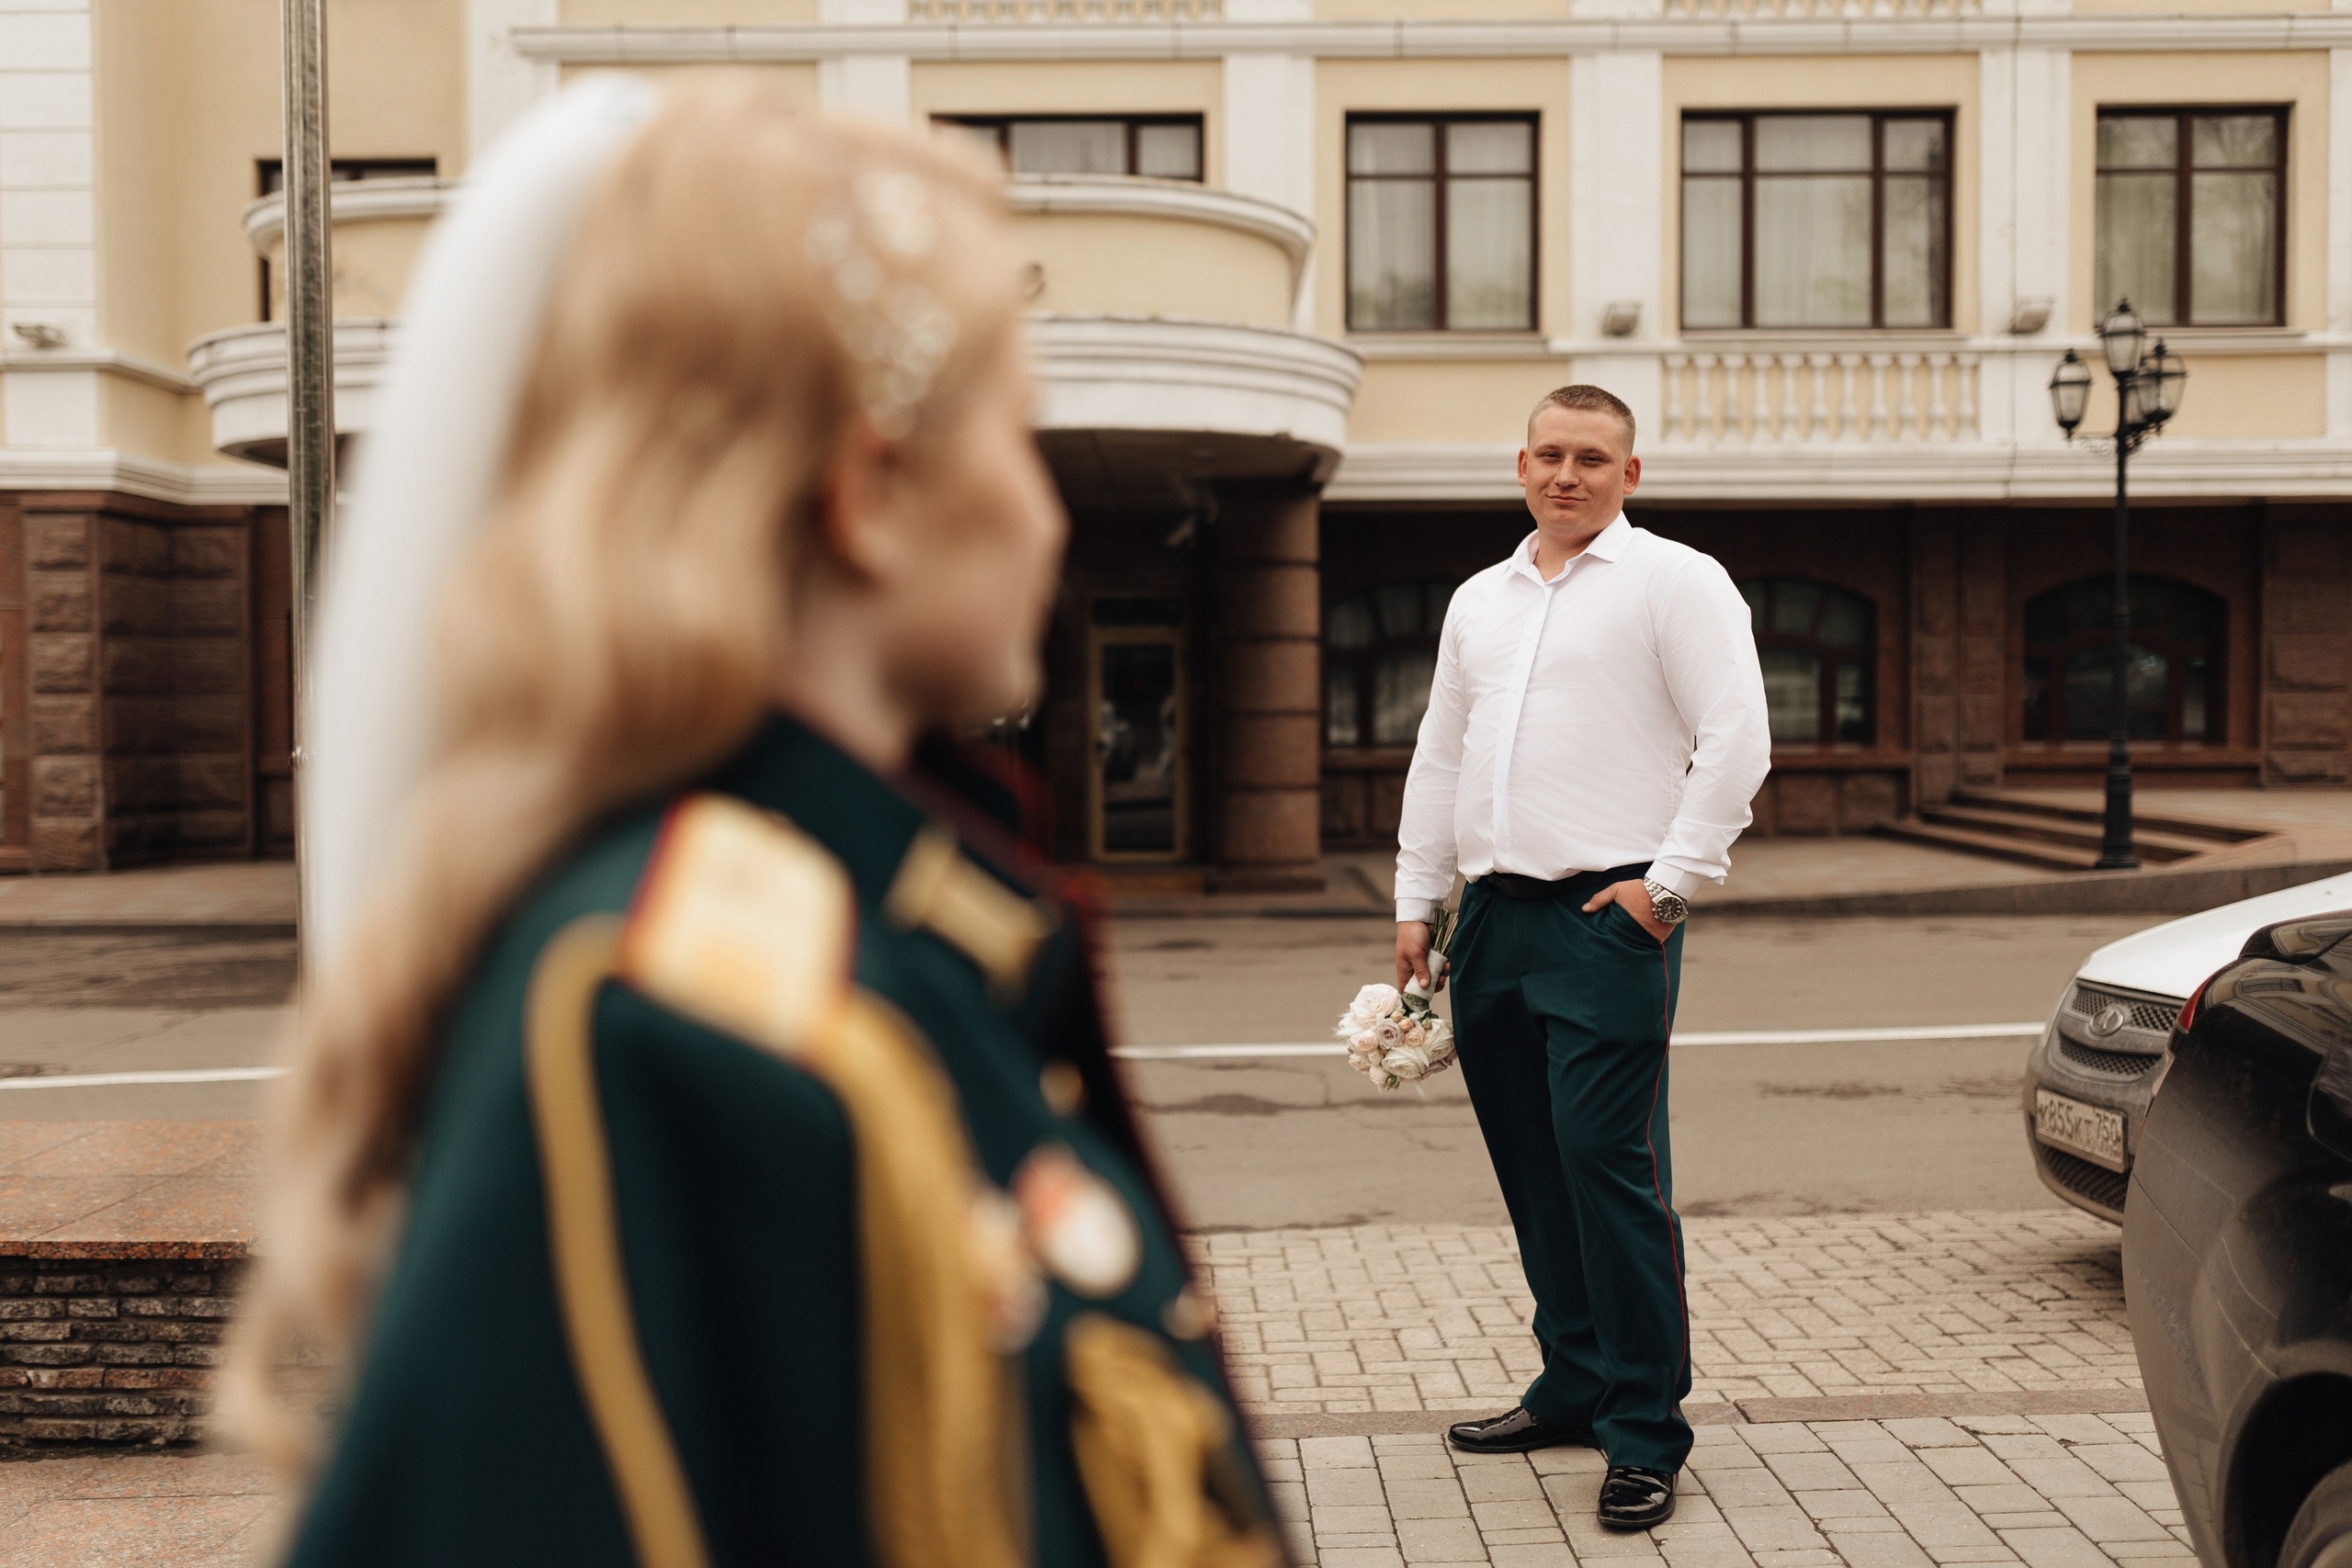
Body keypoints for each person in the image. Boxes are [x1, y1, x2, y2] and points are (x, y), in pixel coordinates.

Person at [223, 78, 1281, 1568]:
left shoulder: (883, 927)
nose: (1047, 515)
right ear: (869, 498)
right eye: (1019, 439)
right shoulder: (661, 1012)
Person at [1392, 385, 1770, 1529]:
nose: (1568, 475)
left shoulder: (1677, 582)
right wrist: (1419, 900)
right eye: (1549, 455)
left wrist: (1667, 889)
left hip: (1607, 921)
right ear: (1520, 465)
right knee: (1533, 1170)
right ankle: (1573, 1386)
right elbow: (1441, 753)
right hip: (1491, 923)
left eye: (1591, 458)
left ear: (1629, 473)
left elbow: (1735, 736)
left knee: (1610, 1174)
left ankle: (1644, 1430)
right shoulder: (1478, 600)